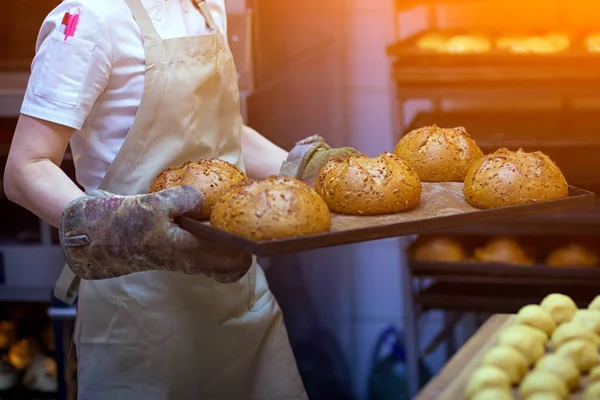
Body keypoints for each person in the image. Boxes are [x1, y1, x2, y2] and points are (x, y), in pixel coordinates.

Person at [3, 0, 359, 398]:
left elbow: (226, 134)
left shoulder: (208, 6)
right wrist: (125, 228)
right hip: (139, 318)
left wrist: (309, 171)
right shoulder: (91, 18)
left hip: (237, 298)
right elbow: (25, 169)